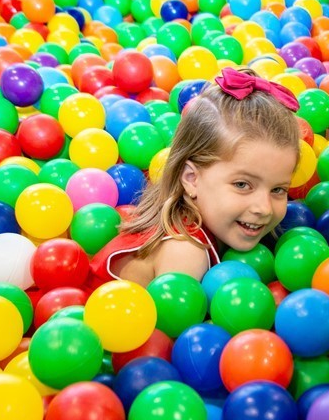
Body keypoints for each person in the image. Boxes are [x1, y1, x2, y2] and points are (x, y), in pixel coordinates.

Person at [89, 67, 302, 287]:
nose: (264, 208)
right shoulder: (186, 252)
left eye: (278, 189)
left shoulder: (211, 222)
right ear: (191, 179)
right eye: (242, 184)